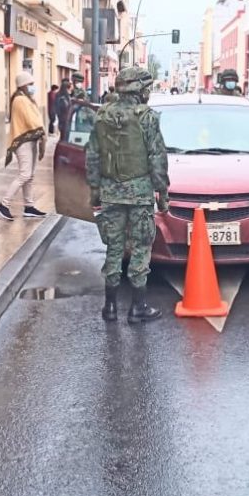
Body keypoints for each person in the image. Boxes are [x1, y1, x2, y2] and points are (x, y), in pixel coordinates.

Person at [86, 66, 169, 325]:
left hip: (111, 192)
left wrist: (95, 189)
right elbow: (157, 157)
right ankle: (137, 308)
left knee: (114, 247)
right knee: (141, 247)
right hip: (140, 194)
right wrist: (162, 192)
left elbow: (92, 155)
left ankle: (110, 307)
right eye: (147, 88)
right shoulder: (147, 117)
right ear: (139, 90)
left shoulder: (102, 115)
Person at [0, 73, 47, 221]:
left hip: (30, 139)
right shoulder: (20, 100)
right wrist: (41, 131)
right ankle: (4, 204)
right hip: (23, 141)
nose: (32, 87)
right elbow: (31, 120)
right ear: (23, 85)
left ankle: (29, 207)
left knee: (29, 175)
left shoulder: (26, 98)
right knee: (24, 175)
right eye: (30, 84)